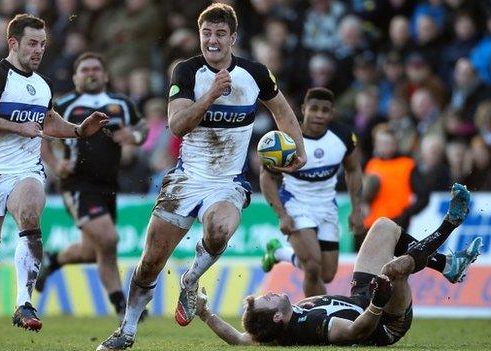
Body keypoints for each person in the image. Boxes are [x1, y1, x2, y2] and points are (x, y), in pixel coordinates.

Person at [97, 3, 306, 350]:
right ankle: (127, 331)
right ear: (200, 35)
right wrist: (210, 95)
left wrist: (298, 151)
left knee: (220, 229)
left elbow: (283, 111)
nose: (212, 40)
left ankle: (190, 279)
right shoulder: (186, 71)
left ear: (233, 38)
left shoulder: (255, 73)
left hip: (228, 181)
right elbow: (177, 125)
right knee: (150, 263)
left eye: (220, 34)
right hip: (186, 179)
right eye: (207, 33)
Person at [0, 14, 108, 332]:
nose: (39, 50)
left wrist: (79, 130)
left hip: (27, 169)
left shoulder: (41, 84)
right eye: (32, 43)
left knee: (29, 216)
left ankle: (23, 304)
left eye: (42, 44)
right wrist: (16, 127)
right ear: (13, 43)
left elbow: (48, 120)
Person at [195, 183, 482, 346]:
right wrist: (377, 305)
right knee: (394, 270)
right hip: (385, 321)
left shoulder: (270, 330)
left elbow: (237, 338)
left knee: (382, 227)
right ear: (277, 318)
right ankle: (449, 225)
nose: (267, 294)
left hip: (363, 295)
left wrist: (205, 314)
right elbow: (356, 332)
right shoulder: (314, 326)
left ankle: (447, 265)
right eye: (266, 301)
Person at [35, 51, 148, 318]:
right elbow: (42, 136)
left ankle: (53, 260)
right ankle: (121, 303)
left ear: (106, 75)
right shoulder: (65, 104)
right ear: (75, 77)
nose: (91, 73)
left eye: (96, 69)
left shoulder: (120, 103)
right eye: (84, 69)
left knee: (92, 250)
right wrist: (55, 163)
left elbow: (143, 128)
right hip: (77, 184)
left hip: (108, 185)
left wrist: (133, 135)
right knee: (108, 239)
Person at [260, 87, 363, 297]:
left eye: (325, 110)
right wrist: (282, 215)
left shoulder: (343, 136)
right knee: (313, 268)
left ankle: (279, 252)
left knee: (327, 274)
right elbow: (267, 177)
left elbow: (353, 170)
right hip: (296, 205)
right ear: (304, 109)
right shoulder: (288, 141)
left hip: (327, 207)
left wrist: (357, 209)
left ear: (332, 113)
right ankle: (315, 317)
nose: (319, 115)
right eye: (314, 109)